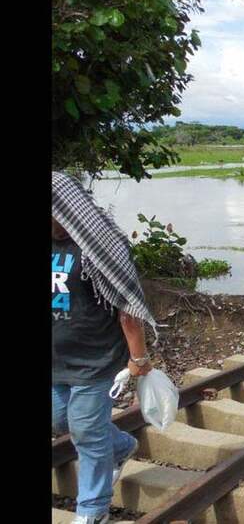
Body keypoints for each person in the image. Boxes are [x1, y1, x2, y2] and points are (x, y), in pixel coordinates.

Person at [52, 171, 160, 524]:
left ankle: (92, 510)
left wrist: (138, 358)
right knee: (60, 419)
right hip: (56, 358)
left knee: (86, 432)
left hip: (95, 358)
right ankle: (122, 446)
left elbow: (128, 305)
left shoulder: (99, 245)